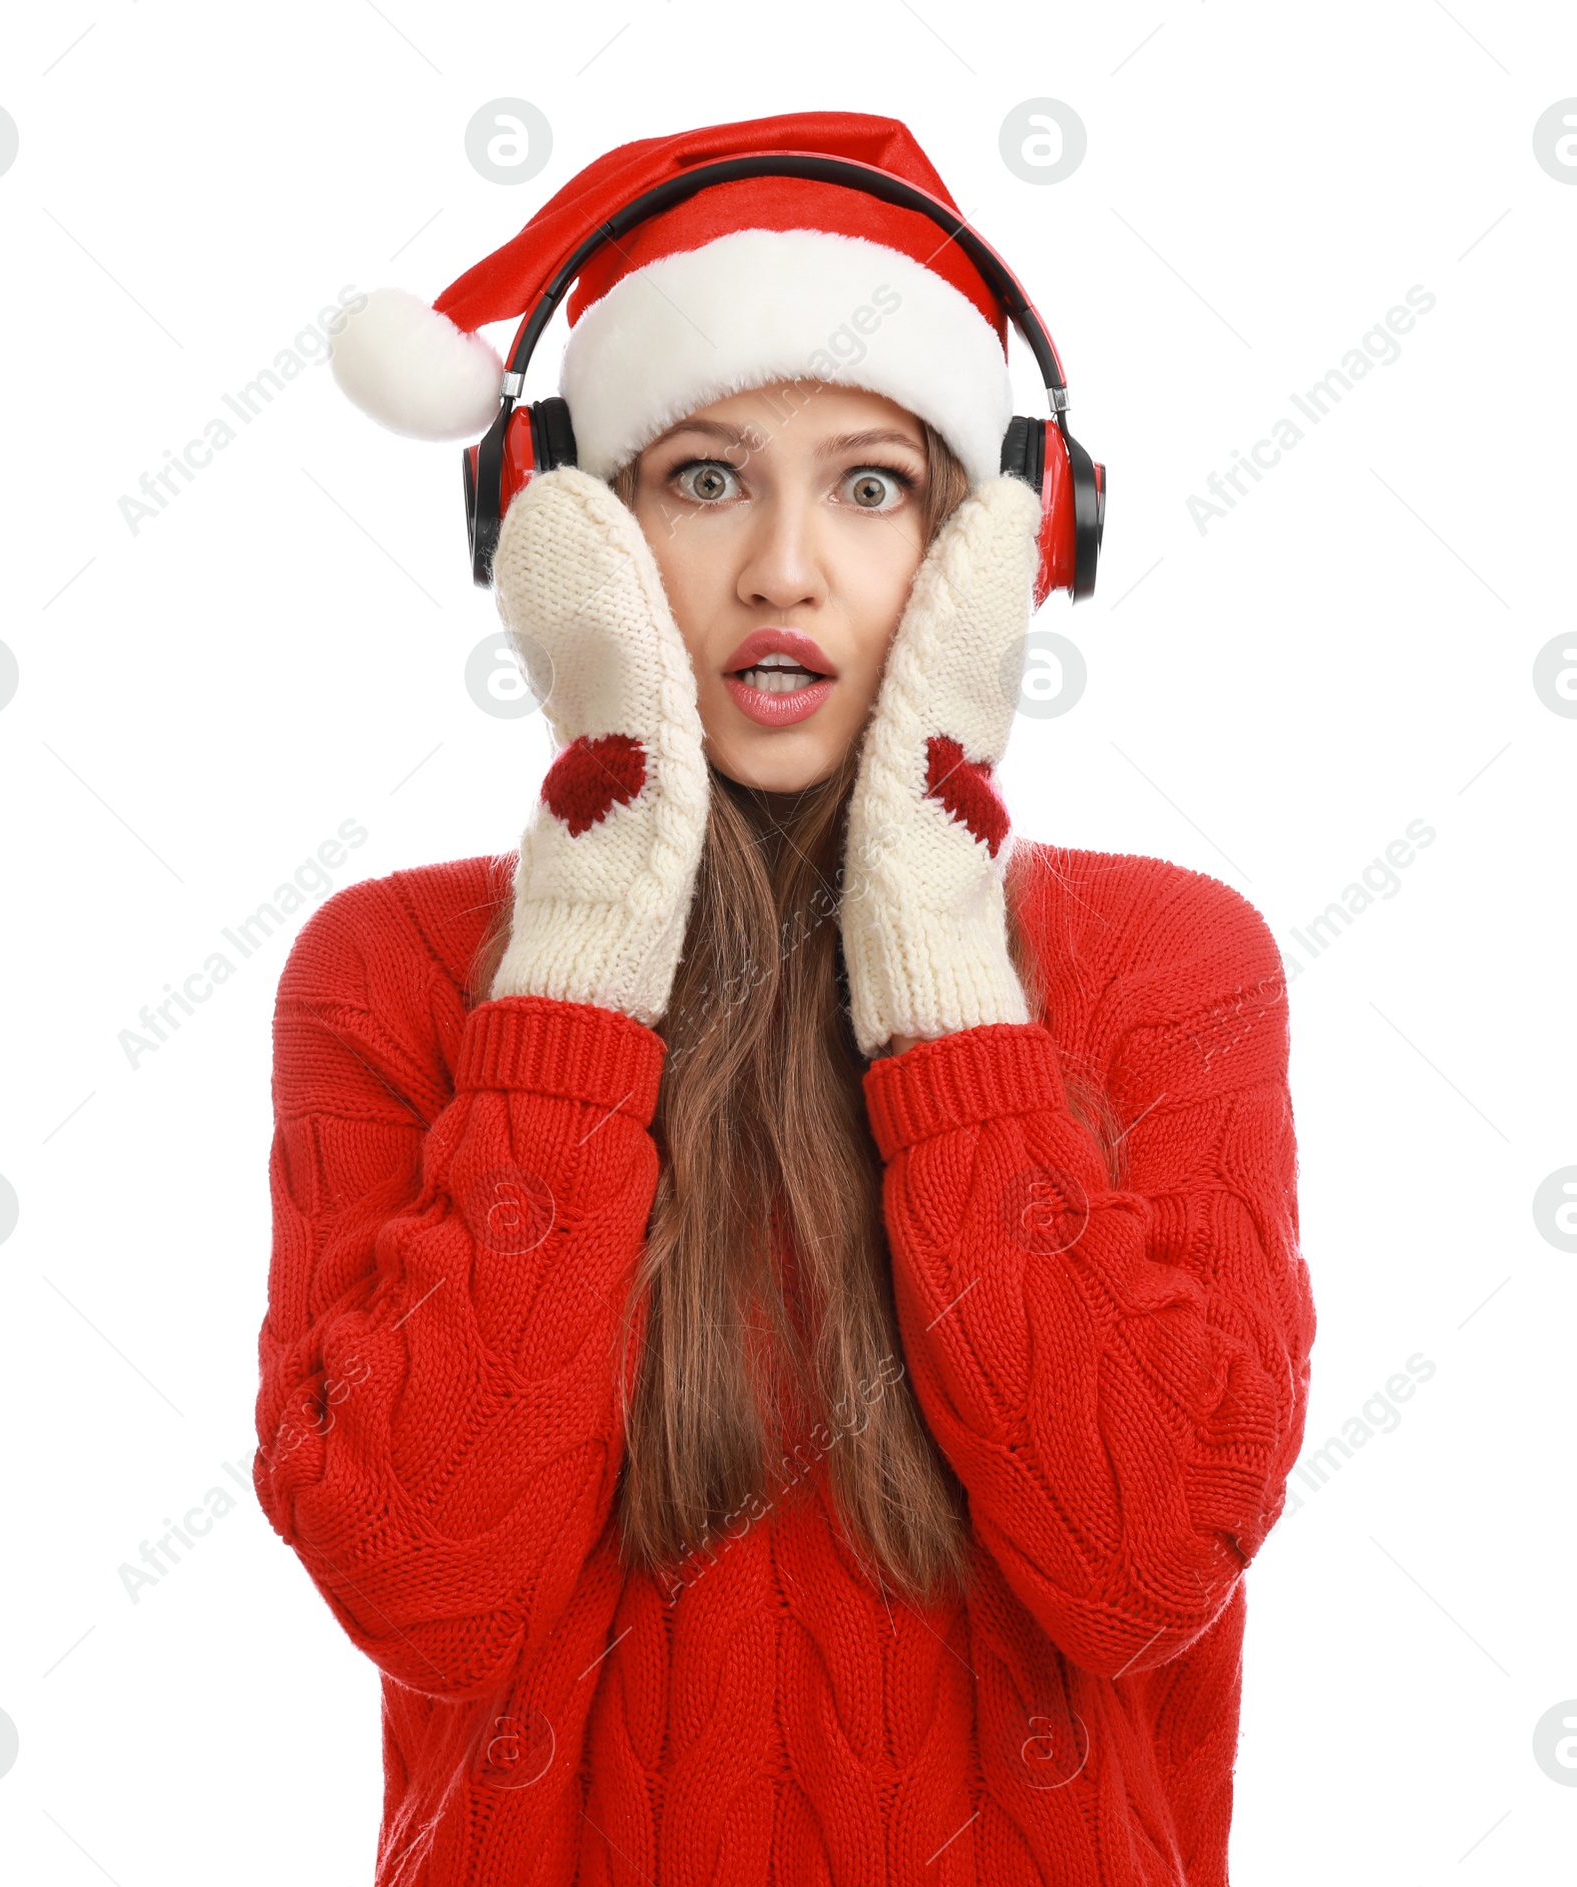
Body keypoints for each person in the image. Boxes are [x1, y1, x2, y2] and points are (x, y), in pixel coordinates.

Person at [253, 111, 1315, 1887]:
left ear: (1004, 550)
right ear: (564, 539)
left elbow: (1143, 1572)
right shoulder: (394, 973)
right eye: (706, 477)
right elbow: (426, 1586)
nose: (785, 572)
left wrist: (949, 988)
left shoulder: (1173, 966)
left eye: (876, 486)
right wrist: (582, 958)